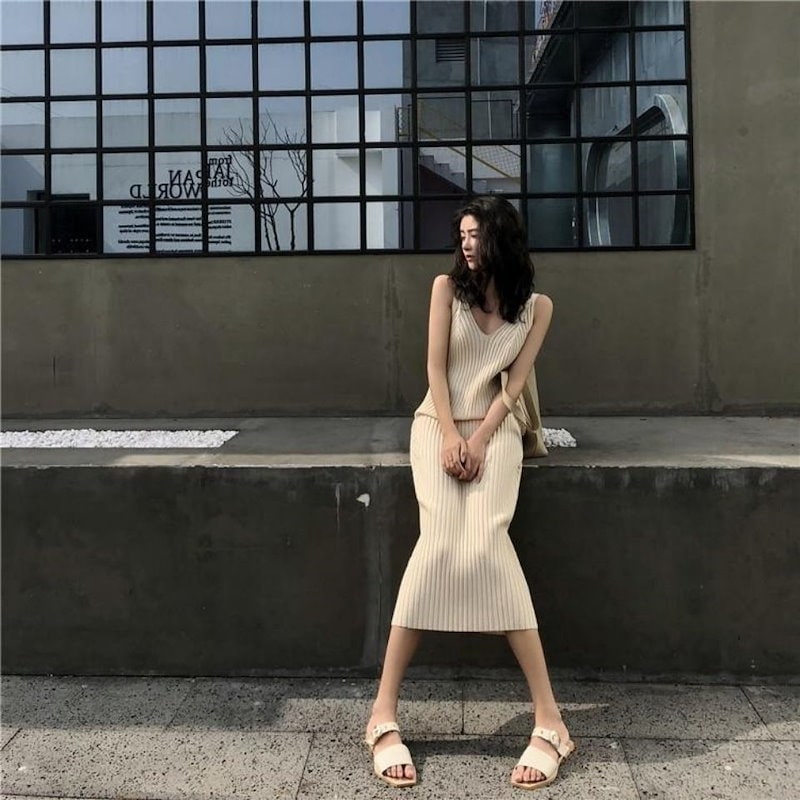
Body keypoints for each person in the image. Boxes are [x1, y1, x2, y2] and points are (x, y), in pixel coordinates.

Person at [363, 196, 575, 791]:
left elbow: (514, 386)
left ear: (501, 237)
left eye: (476, 234)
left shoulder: (536, 308)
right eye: (461, 234)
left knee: (485, 543)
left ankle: (551, 720)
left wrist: (479, 439)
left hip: (495, 432)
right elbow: (435, 370)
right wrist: (452, 435)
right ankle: (382, 711)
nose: (466, 244)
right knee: (436, 544)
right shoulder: (444, 290)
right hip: (436, 425)